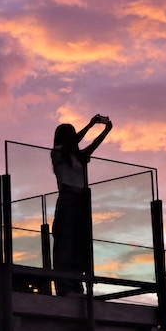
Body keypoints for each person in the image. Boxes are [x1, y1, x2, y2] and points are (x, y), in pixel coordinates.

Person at [51, 114, 113, 296]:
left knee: (79, 242)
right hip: (68, 197)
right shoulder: (58, 152)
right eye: (69, 133)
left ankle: (77, 283)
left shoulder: (77, 156)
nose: (73, 136)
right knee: (66, 241)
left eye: (73, 133)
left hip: (81, 201)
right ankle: (65, 284)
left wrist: (106, 130)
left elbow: (93, 146)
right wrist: (90, 124)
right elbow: (73, 144)